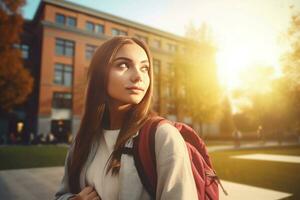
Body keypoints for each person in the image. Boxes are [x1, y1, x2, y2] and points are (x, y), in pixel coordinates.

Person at [55, 36, 198, 200]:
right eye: (123, 65)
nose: (139, 76)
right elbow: (61, 194)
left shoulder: (163, 136)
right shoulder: (82, 141)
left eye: (145, 68)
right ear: (99, 75)